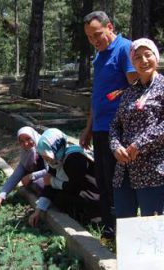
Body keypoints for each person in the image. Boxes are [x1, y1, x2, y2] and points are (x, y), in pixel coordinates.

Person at [80, 11, 138, 240]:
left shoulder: (125, 49)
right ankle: (108, 229)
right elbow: (98, 96)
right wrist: (88, 128)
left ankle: (123, 231)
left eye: (97, 34)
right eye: (89, 37)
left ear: (110, 27)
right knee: (103, 181)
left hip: (119, 129)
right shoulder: (99, 56)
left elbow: (137, 87)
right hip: (100, 128)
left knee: (118, 183)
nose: (94, 41)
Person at [109, 38, 164, 219]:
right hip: (124, 168)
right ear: (133, 62)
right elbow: (116, 124)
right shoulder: (130, 91)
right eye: (138, 57)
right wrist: (116, 146)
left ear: (156, 57)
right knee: (126, 223)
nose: (144, 61)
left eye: (148, 55)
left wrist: (138, 144)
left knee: (153, 224)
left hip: (153, 170)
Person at [28, 128, 100, 227]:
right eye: (44, 157)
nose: (46, 160)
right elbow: (48, 185)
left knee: (58, 198)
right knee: (50, 192)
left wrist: (53, 182)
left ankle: (85, 218)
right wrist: (38, 211)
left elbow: (74, 187)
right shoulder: (56, 160)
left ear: (56, 147)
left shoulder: (74, 158)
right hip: (77, 193)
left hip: (91, 197)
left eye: (47, 156)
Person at [0, 126, 47, 210]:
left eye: (28, 139)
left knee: (39, 183)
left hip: (55, 178)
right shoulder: (26, 153)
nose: (26, 143)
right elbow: (15, 176)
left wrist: (31, 176)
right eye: (22, 141)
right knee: (34, 184)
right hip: (41, 178)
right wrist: (0, 197)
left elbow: (51, 171)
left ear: (33, 136)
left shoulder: (45, 148)